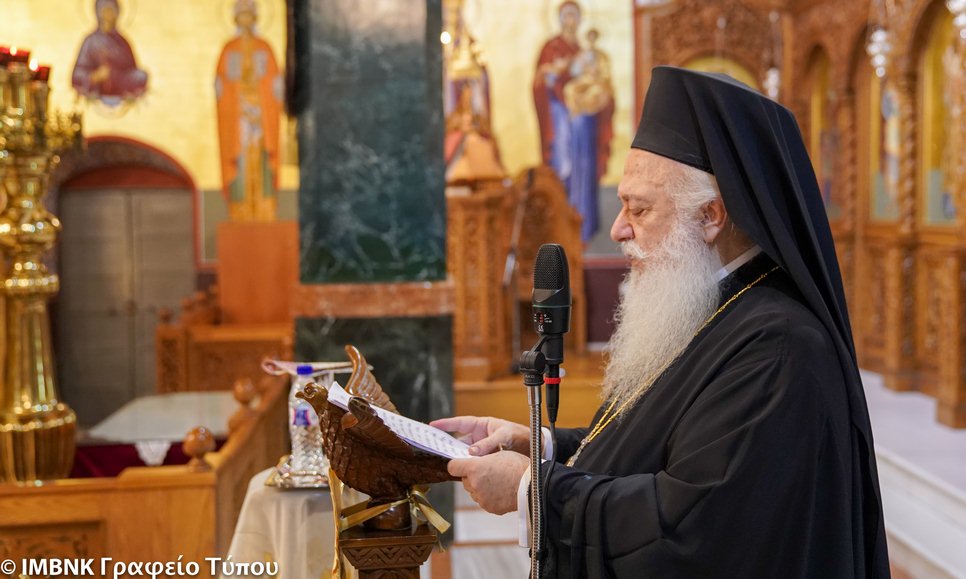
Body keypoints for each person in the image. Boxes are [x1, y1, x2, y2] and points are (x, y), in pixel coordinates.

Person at [432, 66, 890, 577]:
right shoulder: (705, 306)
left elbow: (694, 527)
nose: (617, 229)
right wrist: (541, 446)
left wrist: (530, 490)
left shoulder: (778, 348)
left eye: (640, 209)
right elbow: (654, 444)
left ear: (711, 216)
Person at [532, 2, 613, 242]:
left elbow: (600, 84)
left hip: (583, 123)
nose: (570, 21)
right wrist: (555, 74)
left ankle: (584, 227)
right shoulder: (551, 48)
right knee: (563, 169)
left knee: (584, 168)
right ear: (560, 19)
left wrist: (598, 96)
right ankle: (561, 229)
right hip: (561, 124)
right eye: (566, 16)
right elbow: (540, 83)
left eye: (574, 16)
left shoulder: (584, 51)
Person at [215, 0, 283, 222]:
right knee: (241, 163)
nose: (245, 20)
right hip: (238, 117)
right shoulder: (229, 49)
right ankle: (240, 211)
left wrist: (261, 109)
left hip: (262, 116)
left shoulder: (265, 48)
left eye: (249, 15)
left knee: (261, 161)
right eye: (241, 15)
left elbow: (275, 85)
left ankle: (265, 211)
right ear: (235, 19)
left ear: (255, 18)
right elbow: (221, 86)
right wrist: (240, 107)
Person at [72, 0, 148, 105]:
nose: (108, 15)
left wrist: (115, 73)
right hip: (97, 85)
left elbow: (132, 68)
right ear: (98, 13)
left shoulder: (122, 42)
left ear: (117, 13)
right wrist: (95, 76)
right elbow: (77, 74)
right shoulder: (90, 41)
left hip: (120, 81)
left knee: (141, 75)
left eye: (111, 11)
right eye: (105, 11)